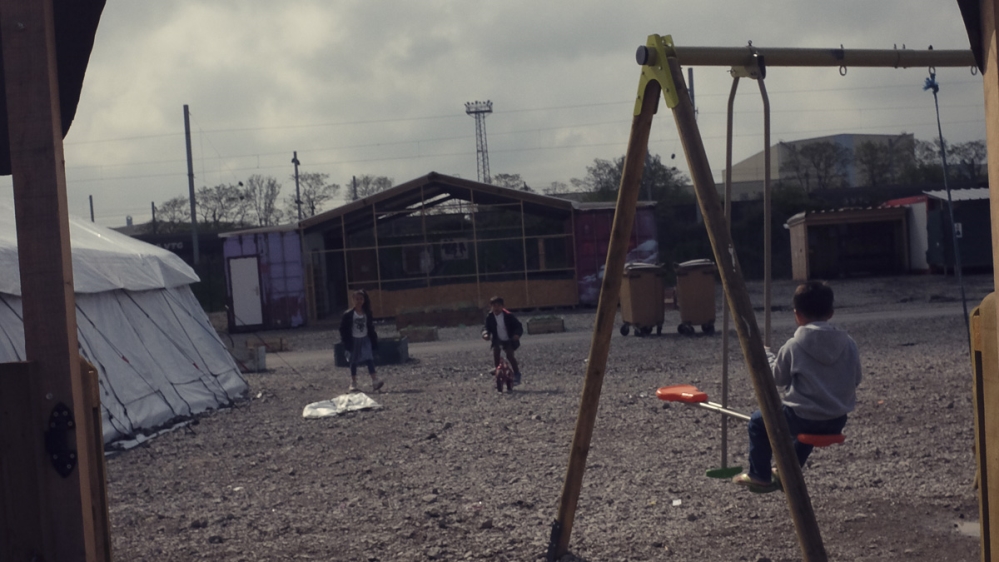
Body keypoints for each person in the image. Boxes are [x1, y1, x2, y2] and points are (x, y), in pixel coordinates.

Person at [733, 280, 862, 489]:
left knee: (758, 421)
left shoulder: (794, 346)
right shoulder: (848, 343)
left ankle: (760, 475)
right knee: (807, 426)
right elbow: (857, 378)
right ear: (830, 313)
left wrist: (767, 355)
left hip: (804, 419)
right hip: (838, 418)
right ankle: (788, 472)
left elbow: (777, 378)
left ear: (797, 315)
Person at [338, 290, 384, 393]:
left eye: (361, 299)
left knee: (369, 358)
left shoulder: (366, 313)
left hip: (365, 338)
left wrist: (373, 338)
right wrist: (345, 340)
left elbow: (370, 326)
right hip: (354, 339)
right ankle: (353, 383)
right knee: (353, 360)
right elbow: (342, 328)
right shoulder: (348, 314)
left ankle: (375, 380)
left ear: (364, 300)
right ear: (353, 300)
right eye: (357, 299)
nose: (359, 301)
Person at [481, 296, 524, 386]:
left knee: (510, 355)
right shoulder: (490, 316)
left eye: (498, 306)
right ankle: (498, 371)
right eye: (494, 306)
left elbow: (518, 326)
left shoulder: (508, 316)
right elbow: (486, 327)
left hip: (509, 340)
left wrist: (516, 335)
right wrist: (485, 334)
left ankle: (517, 373)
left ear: (502, 306)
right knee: (496, 354)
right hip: (497, 340)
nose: (496, 308)